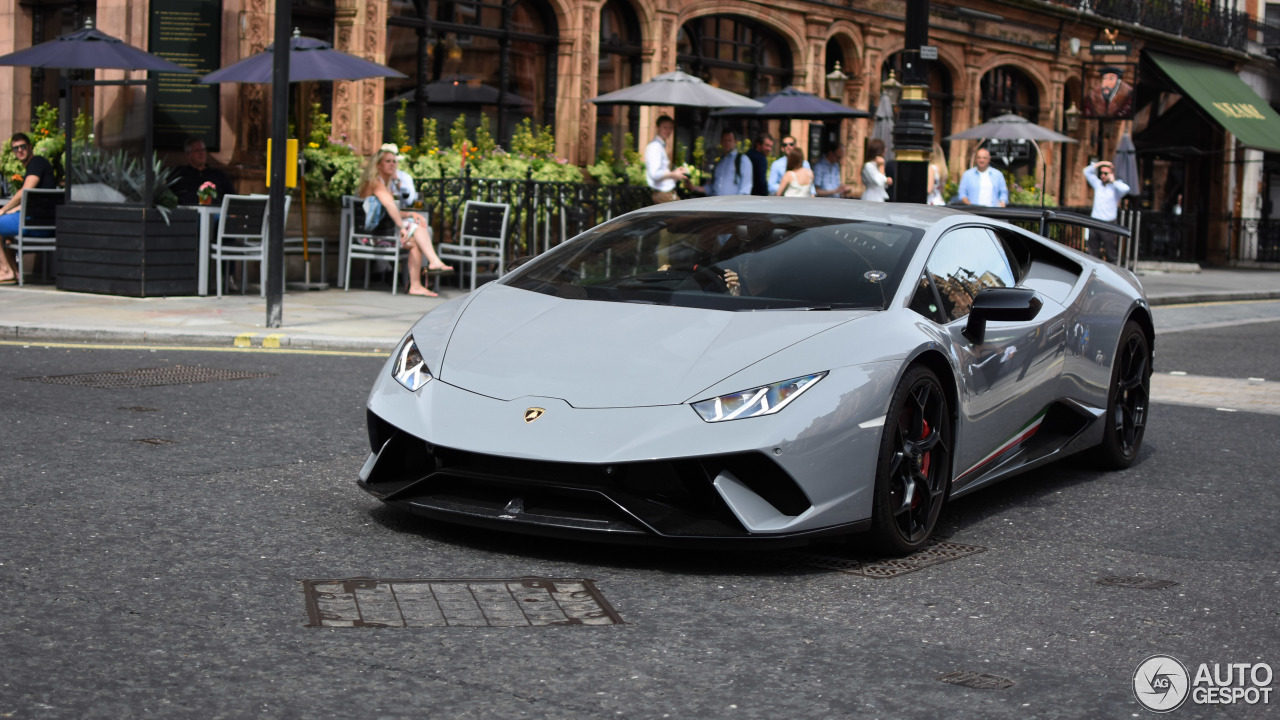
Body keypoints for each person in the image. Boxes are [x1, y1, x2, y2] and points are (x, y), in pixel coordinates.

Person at [358, 148, 452, 297]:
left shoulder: (387, 183)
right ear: (378, 165)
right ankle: (433, 262)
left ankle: (416, 285)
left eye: (394, 161)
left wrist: (410, 213)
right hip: (370, 236)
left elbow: (392, 210)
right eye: (387, 161)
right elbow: (389, 205)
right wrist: (402, 227)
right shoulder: (375, 182)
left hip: (383, 232)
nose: (392, 164)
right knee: (416, 229)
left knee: (414, 237)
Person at [0, 133, 57, 284]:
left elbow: (26, 191)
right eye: (15, 148)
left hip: (37, 224)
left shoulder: (37, 162)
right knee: (5, 232)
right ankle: (15, 272)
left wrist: (4, 209)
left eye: (22, 147)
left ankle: (5, 271)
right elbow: (33, 197)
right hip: (39, 221)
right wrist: (16, 208)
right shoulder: (35, 165)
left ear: (30, 147)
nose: (19, 150)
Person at [1083, 160, 1131, 262]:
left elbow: (1126, 189)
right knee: (1092, 253)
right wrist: (1101, 163)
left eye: (1106, 173)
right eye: (1101, 173)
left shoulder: (1115, 187)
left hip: (1109, 223)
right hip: (1095, 222)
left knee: (1110, 253)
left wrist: (1113, 181)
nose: (1103, 176)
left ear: (1111, 174)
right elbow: (1086, 171)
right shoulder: (1098, 184)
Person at [171, 137, 236, 206]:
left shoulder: (219, 175)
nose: (201, 153)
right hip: (187, 213)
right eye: (197, 150)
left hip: (215, 213)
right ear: (188, 154)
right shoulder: (179, 175)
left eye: (203, 150)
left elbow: (232, 198)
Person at [689, 129, 752, 197]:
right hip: (716, 204)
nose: (727, 143)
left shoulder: (743, 160)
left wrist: (737, 205)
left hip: (733, 205)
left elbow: (746, 188)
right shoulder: (719, 162)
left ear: (735, 142)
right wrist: (694, 187)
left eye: (730, 140)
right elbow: (712, 188)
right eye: (724, 140)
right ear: (721, 142)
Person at [644, 115, 688, 204]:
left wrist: (676, 173)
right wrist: (674, 174)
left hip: (665, 193)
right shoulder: (655, 146)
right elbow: (655, 174)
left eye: (670, 128)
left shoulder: (659, 145)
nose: (668, 131)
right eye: (665, 127)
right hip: (663, 194)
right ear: (658, 128)